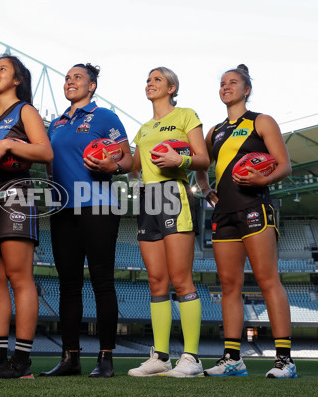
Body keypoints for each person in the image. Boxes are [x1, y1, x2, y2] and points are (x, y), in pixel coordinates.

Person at [195, 64, 297, 379]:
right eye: (223, 83)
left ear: (246, 90)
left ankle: (285, 360)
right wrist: (205, 188)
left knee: (268, 281)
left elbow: (284, 165)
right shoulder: (214, 131)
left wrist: (259, 178)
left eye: (233, 82)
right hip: (223, 213)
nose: (226, 87)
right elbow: (201, 163)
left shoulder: (261, 121)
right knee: (229, 286)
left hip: (255, 207)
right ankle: (232, 359)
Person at [39, 63, 132, 378]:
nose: (70, 81)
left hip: (99, 206)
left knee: (102, 283)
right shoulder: (55, 124)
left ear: (92, 86)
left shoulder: (105, 117)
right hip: (63, 209)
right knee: (68, 286)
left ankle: (105, 358)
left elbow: (128, 160)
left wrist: (112, 166)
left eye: (77, 77)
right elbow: (51, 167)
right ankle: (70, 359)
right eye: (66, 78)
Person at [0, 54, 53, 380]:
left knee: (20, 278)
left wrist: (10, 145)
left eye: (2, 69)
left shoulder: (25, 110)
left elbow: (45, 152)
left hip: (15, 194)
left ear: (17, 79)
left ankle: (22, 361)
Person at [127, 67, 209, 378]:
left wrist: (181, 161)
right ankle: (160, 357)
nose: (150, 83)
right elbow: (134, 167)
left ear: (172, 87)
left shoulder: (186, 115)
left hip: (174, 193)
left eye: (157, 79)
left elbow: (203, 158)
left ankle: (191, 359)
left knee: (181, 278)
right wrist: (125, 174)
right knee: (156, 280)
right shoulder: (144, 129)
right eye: (148, 79)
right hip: (148, 198)